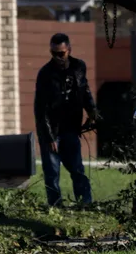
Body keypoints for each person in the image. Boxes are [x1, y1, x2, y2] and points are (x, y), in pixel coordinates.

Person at [33, 32, 99, 207]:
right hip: (52, 130)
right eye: (53, 53)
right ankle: (55, 206)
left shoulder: (78, 67)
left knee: (77, 169)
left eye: (61, 53)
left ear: (69, 50)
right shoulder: (45, 74)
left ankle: (85, 204)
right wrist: (49, 137)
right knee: (52, 172)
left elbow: (85, 91)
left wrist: (92, 111)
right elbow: (40, 109)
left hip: (70, 127)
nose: (57, 58)